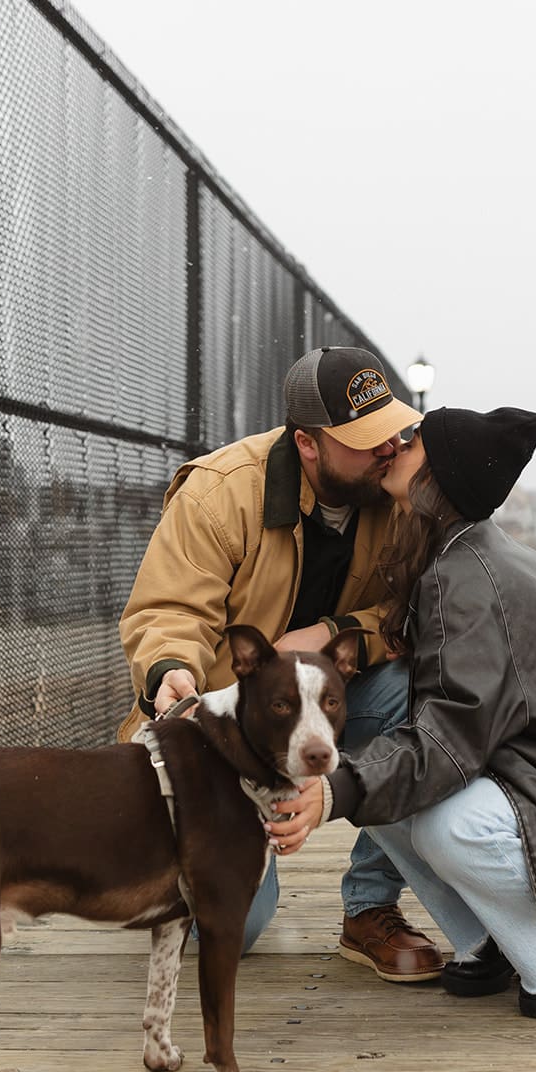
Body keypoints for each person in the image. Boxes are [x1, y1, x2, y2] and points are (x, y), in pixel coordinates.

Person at [267, 405, 536, 1018]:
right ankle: (493, 940)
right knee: (381, 799)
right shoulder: (465, 556)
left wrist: (335, 790)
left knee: (443, 824)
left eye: (414, 442)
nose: (394, 445)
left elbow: (450, 740)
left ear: (439, 479)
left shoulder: (469, 579)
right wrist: (349, 786)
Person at [117, 345, 444, 981]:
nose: (389, 448)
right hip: (223, 728)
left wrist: (330, 632)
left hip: (335, 701)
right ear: (308, 444)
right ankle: (169, 867)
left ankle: (371, 908)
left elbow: (412, 613)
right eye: (366, 438)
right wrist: (170, 671)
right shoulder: (220, 495)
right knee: (231, 932)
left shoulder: (397, 494)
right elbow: (168, 610)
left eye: (392, 429)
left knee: (418, 693)